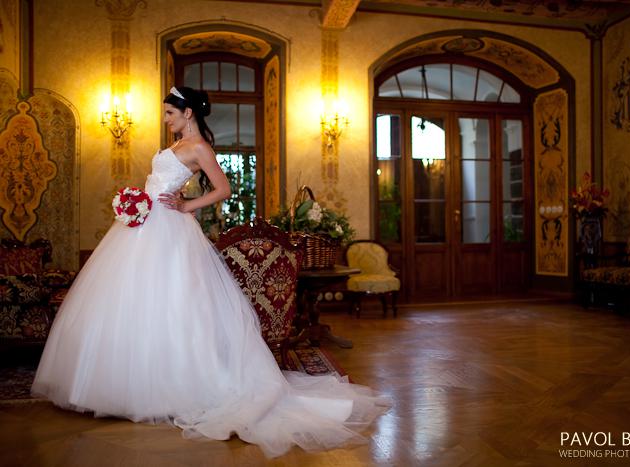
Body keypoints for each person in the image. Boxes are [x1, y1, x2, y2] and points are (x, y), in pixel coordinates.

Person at [32, 86, 389, 458]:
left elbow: (224, 188)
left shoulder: (199, 148)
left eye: (170, 113)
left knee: (176, 302)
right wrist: (137, 202)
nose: (166, 120)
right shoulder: (175, 146)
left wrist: (188, 205)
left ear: (188, 113)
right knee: (136, 301)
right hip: (145, 226)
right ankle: (126, 384)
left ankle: (174, 387)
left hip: (170, 230)